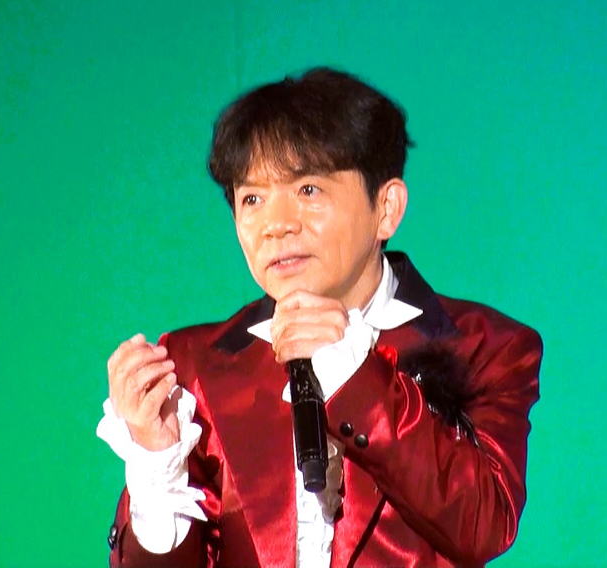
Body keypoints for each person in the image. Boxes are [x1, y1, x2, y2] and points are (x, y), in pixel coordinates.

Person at [97, 67, 542, 568]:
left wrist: (353, 375)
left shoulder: (487, 347)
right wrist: (156, 463)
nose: (276, 225)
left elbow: (483, 524)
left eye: (308, 190)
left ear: (386, 208)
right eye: (252, 198)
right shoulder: (192, 365)